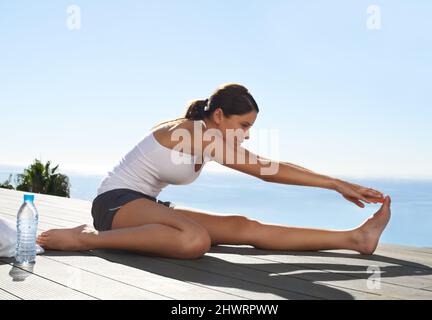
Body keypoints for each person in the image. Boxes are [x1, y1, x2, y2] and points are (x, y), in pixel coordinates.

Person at [37, 83, 390, 259]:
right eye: (244, 124)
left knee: (243, 227)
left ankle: (355, 239)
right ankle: (84, 238)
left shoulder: (209, 134)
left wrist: (335, 183)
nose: (247, 133)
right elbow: (265, 170)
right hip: (113, 205)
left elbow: (268, 163)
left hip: (144, 204)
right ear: (219, 115)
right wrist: (336, 184)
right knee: (194, 241)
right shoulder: (193, 133)